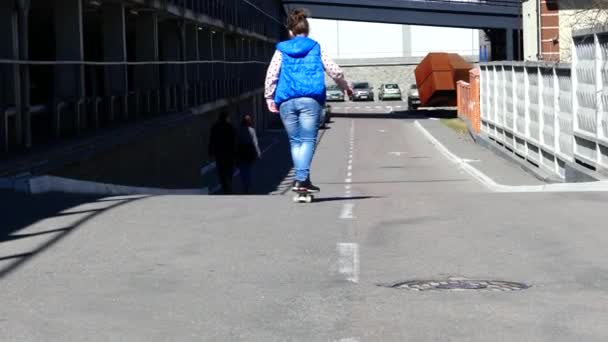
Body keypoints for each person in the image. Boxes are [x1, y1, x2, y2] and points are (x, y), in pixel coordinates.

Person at [264, 8, 352, 193]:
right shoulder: (315, 47)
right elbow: (334, 70)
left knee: (296, 141)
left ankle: (303, 179)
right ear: (307, 30)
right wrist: (345, 86)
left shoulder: (281, 50)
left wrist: (269, 97)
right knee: (308, 140)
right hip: (310, 100)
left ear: (290, 31)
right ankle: (302, 180)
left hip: (286, 101)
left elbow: (272, 74)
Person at [208, 110, 236, 194]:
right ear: (226, 118)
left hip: (219, 152)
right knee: (229, 169)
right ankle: (228, 184)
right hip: (229, 152)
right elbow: (234, 140)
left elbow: (211, 140)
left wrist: (210, 152)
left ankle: (225, 185)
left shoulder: (215, 127)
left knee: (221, 170)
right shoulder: (230, 127)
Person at [236, 114, 262, 194]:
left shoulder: (238, 130)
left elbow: (236, 142)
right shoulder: (252, 130)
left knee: (242, 170)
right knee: (248, 169)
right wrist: (258, 153)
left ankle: (245, 185)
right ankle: (248, 185)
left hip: (240, 152)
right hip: (249, 152)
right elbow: (255, 142)